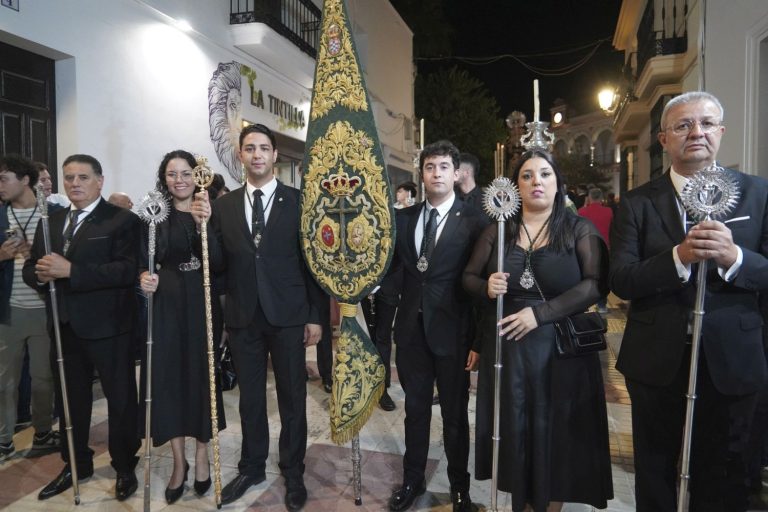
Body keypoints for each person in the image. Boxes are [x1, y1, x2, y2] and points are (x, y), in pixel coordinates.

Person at [609, 91, 768, 511]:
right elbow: (621, 279)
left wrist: (735, 257)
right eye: (683, 125)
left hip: (731, 361)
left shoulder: (758, 194)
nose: (695, 132)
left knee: (726, 473)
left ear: (721, 131)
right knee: (656, 471)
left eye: (706, 123)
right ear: (663, 139)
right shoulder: (638, 202)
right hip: (657, 360)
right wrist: (677, 257)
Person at [463, 149, 613, 511]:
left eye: (544, 174)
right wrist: (485, 286)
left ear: (558, 183)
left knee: (555, 435)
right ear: (515, 186)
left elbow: (595, 284)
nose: (536, 182)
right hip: (510, 353)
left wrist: (540, 315)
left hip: (561, 351)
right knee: (516, 432)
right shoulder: (499, 230)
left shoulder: (578, 228)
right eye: (527, 176)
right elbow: (467, 277)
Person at [209, 123, 324, 511]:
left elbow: (313, 264)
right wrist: (201, 230)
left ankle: (293, 470)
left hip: (289, 314)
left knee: (293, 397)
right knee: (250, 399)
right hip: (243, 317)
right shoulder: (223, 207)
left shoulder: (300, 201)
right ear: (240, 156)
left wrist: (315, 316)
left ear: (275, 155)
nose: (256, 154)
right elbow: (219, 265)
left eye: (263, 148)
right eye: (249, 148)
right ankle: (252, 466)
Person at [23, 154, 141, 501]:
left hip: (109, 326)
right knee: (70, 401)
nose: (75, 183)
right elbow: (32, 267)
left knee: (120, 400)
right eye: (69, 177)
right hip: (64, 325)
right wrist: (40, 275)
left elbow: (126, 270)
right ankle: (76, 462)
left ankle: (123, 464)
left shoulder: (122, 220)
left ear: (99, 181)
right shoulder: (52, 220)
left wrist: (71, 271)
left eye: (83, 177)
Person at [387, 140, 488, 512]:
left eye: (444, 166)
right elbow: (394, 270)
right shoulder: (404, 218)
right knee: (415, 411)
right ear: (422, 173)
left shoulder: (475, 221)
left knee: (455, 414)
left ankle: (460, 488)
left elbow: (480, 285)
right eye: (430, 167)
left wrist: (478, 339)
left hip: (454, 332)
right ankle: (412, 480)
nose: (436, 174)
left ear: (456, 172)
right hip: (411, 332)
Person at [137, 150, 226, 503]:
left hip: (202, 304)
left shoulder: (208, 211)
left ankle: (202, 457)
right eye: (172, 174)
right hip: (168, 305)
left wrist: (205, 224)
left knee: (202, 378)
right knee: (170, 380)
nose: (179, 180)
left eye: (185, 173)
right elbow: (144, 260)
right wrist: (143, 277)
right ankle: (179, 463)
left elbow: (218, 263)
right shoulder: (156, 216)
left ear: (197, 176)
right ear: (164, 179)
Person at [0, 155, 60, 462]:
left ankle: (43, 434)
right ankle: (3, 440)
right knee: (4, 380)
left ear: (24, 180)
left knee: (42, 378)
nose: (0, 186)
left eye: (4, 178)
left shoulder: (53, 214)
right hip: (8, 310)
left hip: (43, 309)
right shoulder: (0, 216)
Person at [578, 187, 613, 313]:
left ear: (590, 197)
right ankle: (602, 305)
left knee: (584, 277)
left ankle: (584, 304)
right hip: (605, 248)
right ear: (601, 197)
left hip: (585, 248)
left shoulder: (581, 211)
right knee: (602, 276)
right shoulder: (609, 211)